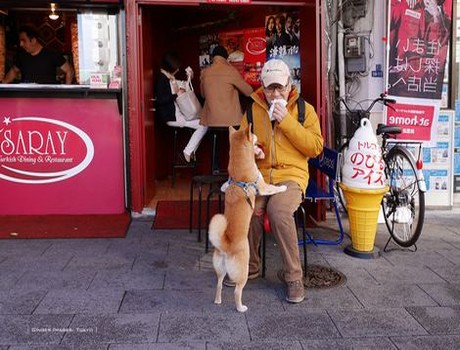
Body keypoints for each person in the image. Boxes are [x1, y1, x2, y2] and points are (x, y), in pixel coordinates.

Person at [230, 59, 323, 304]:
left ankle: (294, 277)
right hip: (260, 175)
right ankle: (249, 266)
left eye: (280, 87)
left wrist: (287, 122)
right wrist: (254, 149)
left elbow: (315, 148)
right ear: (262, 86)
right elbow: (241, 142)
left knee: (279, 210)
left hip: (291, 176)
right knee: (247, 206)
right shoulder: (252, 109)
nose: (276, 94)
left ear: (290, 85)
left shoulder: (304, 110)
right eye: (270, 88)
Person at [154, 52, 208, 162]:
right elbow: (160, 99)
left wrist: (188, 79)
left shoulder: (168, 78)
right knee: (203, 125)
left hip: (175, 115)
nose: (177, 70)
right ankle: (187, 152)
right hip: (171, 117)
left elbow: (181, 86)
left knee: (203, 124)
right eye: (176, 68)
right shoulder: (162, 79)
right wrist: (175, 94)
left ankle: (189, 152)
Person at [200, 45, 253, 127]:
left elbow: (203, 95)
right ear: (226, 57)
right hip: (230, 120)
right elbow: (249, 92)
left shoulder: (205, 72)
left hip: (210, 120)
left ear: (213, 57)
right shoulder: (230, 71)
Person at [1, 25, 74, 84]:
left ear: (33, 40)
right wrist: (3, 84)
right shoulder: (22, 55)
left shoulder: (51, 54)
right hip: (26, 97)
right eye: (20, 41)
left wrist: (66, 93)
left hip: (48, 98)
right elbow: (14, 71)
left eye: (23, 41)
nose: (21, 44)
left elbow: (69, 71)